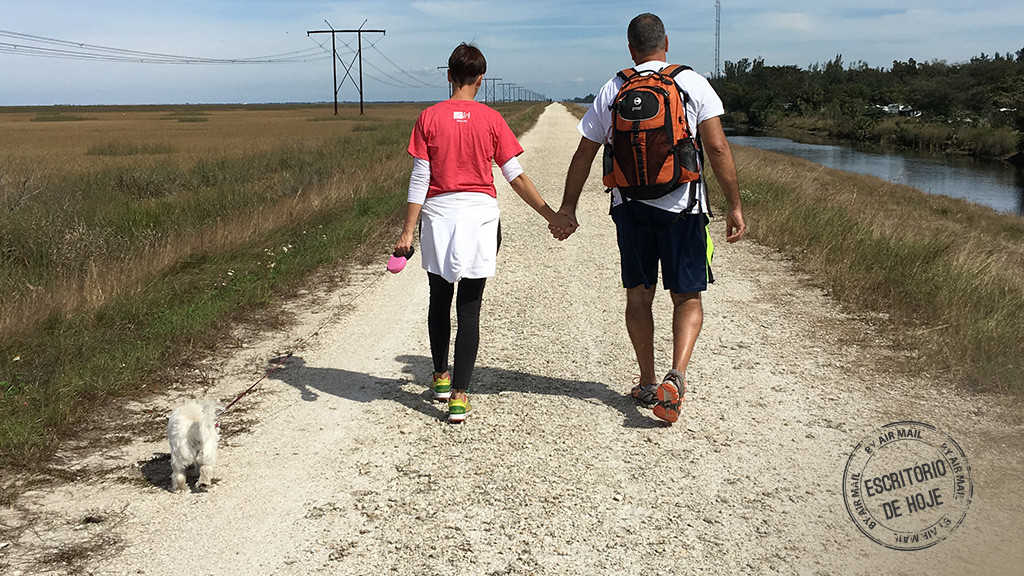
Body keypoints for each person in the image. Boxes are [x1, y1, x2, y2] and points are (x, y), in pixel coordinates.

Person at [553, 13, 746, 424]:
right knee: (687, 297)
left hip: (631, 209)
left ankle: (646, 380)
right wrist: (734, 205)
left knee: (639, 296)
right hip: (684, 209)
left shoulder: (614, 87)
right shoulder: (691, 84)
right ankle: (676, 375)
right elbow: (717, 148)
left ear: (630, 48)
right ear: (667, 43)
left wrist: (568, 208)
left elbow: (584, 152)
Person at [395, 43, 571, 423]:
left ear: (448, 75)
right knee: (469, 305)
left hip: (439, 217)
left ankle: (440, 377)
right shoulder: (491, 119)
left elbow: (420, 179)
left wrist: (408, 231)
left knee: (439, 298)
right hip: (480, 218)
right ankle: (459, 396)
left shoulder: (428, 117)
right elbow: (515, 176)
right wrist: (551, 215)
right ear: (480, 79)